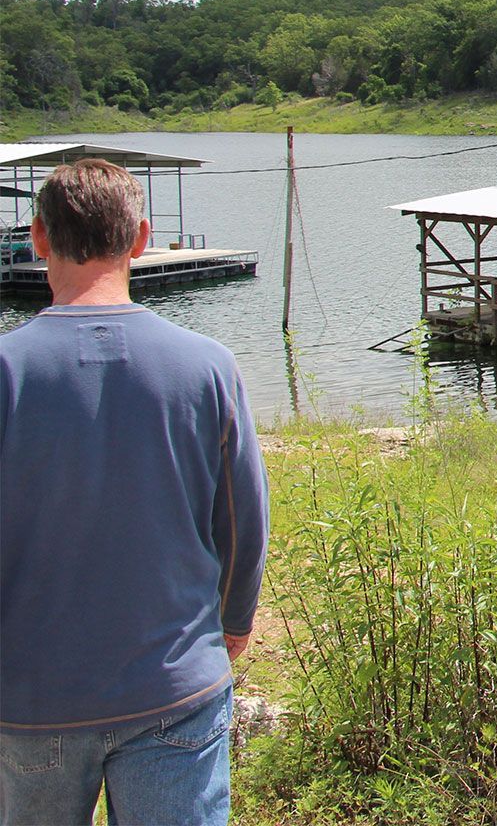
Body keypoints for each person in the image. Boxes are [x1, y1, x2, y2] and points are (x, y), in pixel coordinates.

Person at [0, 159, 269, 825]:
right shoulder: (207, 366)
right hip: (174, 686)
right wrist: (233, 621)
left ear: (38, 237)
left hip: (32, 698)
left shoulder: (7, 372)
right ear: (142, 238)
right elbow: (242, 519)